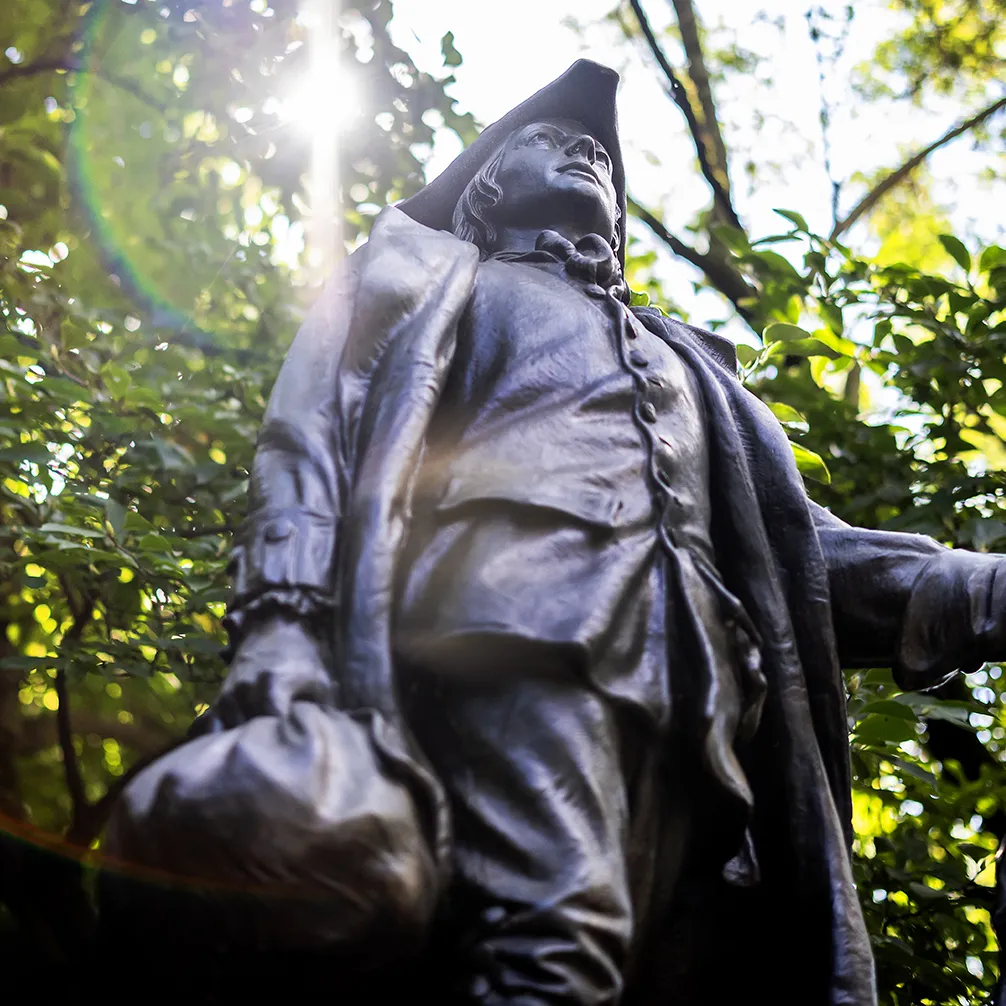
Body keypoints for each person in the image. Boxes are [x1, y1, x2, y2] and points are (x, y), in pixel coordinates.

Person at [131, 62, 1006, 1004]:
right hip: (508, 622)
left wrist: (961, 586)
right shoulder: (419, 273)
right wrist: (280, 628)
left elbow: (791, 560)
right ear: (488, 188)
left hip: (699, 701)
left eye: (606, 160)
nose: (591, 151)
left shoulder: (689, 366)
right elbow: (309, 444)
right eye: (556, 141)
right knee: (556, 942)